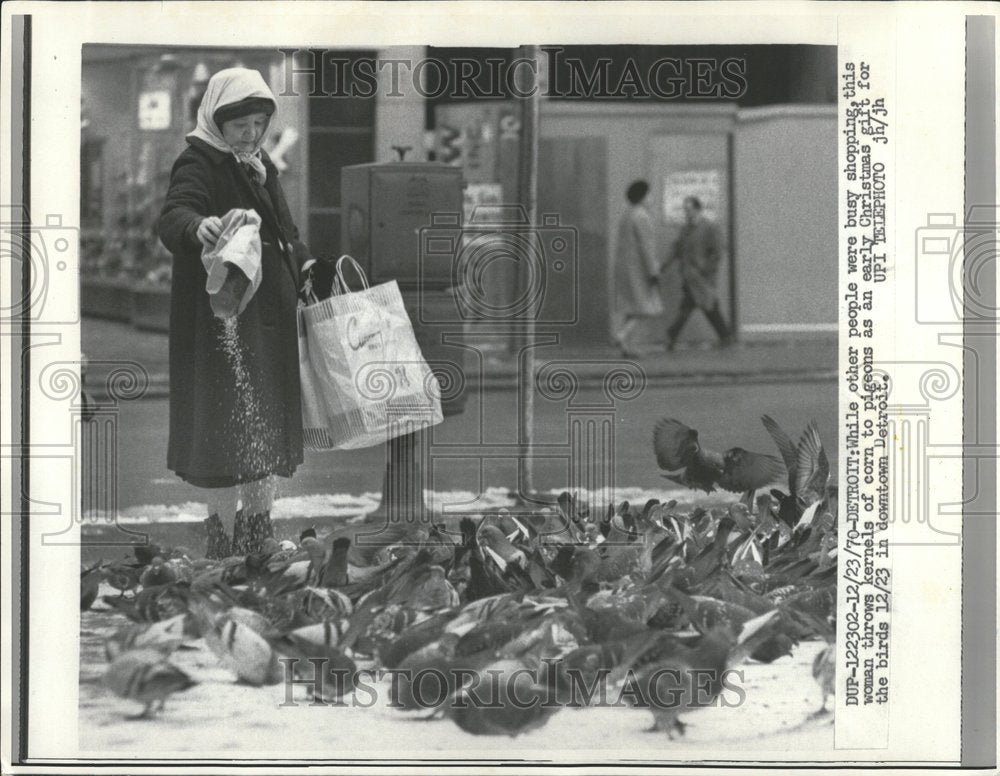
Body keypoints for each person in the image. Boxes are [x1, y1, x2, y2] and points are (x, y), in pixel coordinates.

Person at [157, 68, 316, 558]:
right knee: (224, 430)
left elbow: (284, 229)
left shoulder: (258, 163)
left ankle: (257, 532)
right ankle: (222, 541)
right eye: (240, 125)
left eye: (257, 124)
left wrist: (306, 264)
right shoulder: (199, 161)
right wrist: (198, 225)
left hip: (267, 322)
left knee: (263, 426)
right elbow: (172, 217)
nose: (250, 135)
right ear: (217, 120)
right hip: (223, 321)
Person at [664, 195, 733, 350]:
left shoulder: (709, 227)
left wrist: (706, 269)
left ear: (698, 209)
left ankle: (672, 336)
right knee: (697, 306)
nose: (687, 212)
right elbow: (676, 249)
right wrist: (663, 266)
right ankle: (725, 336)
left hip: (703, 277)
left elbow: (718, 250)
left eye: (689, 209)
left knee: (704, 306)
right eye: (685, 209)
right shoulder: (685, 230)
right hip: (689, 276)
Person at [613, 180, 663, 358]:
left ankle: (628, 348)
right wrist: (654, 271)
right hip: (639, 271)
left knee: (631, 308)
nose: (651, 198)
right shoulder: (642, 216)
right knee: (646, 308)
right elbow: (647, 246)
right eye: (649, 194)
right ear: (642, 196)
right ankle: (623, 334)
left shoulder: (627, 215)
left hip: (625, 269)